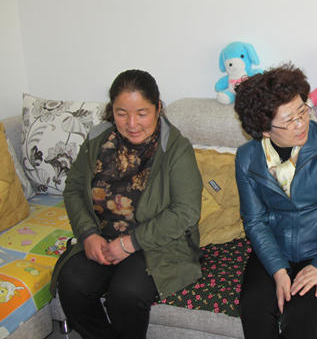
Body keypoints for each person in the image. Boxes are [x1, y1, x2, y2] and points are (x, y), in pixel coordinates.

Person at [50, 70, 204, 339]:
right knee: (72, 285)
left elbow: (185, 211)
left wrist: (130, 243)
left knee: (126, 295)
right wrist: (88, 234)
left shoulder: (176, 149)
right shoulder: (97, 140)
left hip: (157, 242)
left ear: (158, 108)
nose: (132, 124)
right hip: (102, 235)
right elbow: (73, 188)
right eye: (122, 113)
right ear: (112, 110)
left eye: (142, 113)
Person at [233, 63, 317, 339]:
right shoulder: (246, 157)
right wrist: (278, 271)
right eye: (289, 120)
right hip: (274, 248)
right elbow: (254, 221)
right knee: (254, 311)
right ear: (265, 129)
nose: (301, 123)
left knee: (300, 319)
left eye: (303, 110)